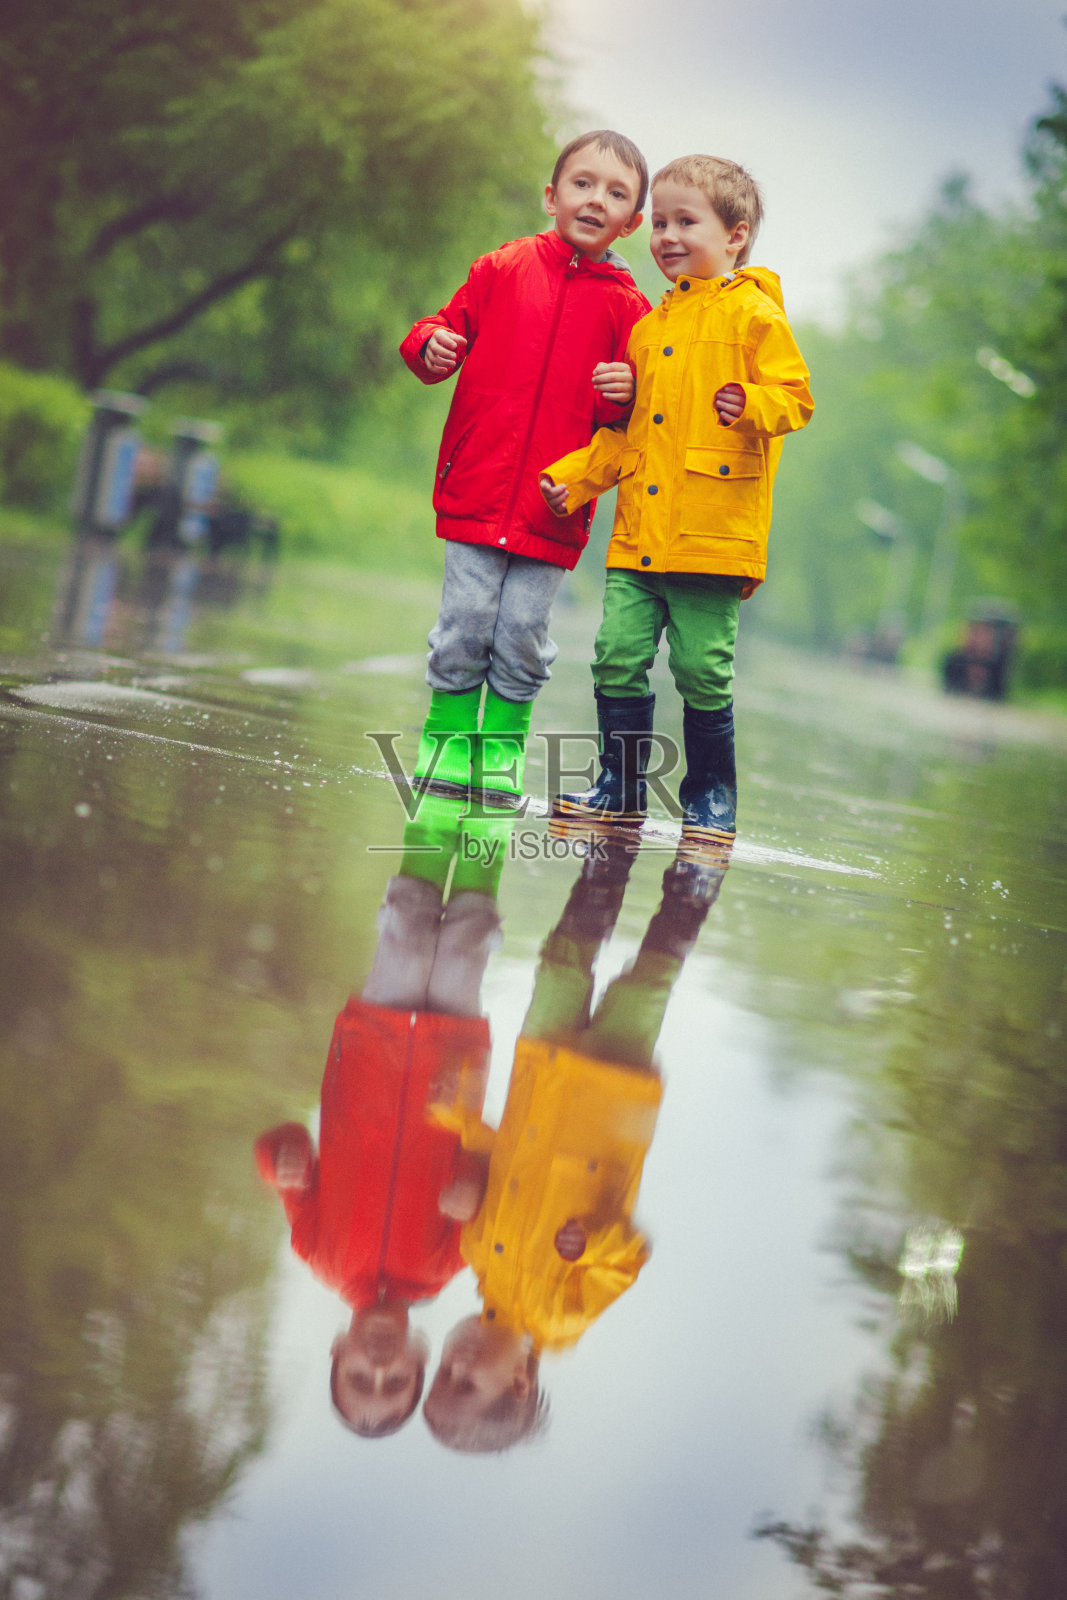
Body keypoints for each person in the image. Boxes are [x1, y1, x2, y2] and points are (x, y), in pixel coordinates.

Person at [423, 834, 729, 1452]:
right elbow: (628, 1258)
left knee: (559, 965)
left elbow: (508, 1156)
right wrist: (590, 1241)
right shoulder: (563, 1318)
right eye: (466, 1384)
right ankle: (692, 886)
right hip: (604, 1101)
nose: (455, 1364)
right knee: (643, 989)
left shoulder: (477, 1255)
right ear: (515, 1385)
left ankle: (606, 866)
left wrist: (462, 1127)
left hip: (542, 1070)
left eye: (442, 1374)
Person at [540, 155, 814, 843]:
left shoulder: (755, 316)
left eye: (684, 221)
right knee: (615, 654)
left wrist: (750, 401)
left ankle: (711, 793)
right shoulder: (647, 331)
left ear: (735, 235)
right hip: (639, 537)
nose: (664, 235)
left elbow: (796, 398)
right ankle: (620, 785)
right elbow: (627, 437)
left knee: (700, 668)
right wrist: (572, 482)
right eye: (658, 222)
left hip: (711, 539)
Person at [399, 131, 652, 802]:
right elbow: (437, 326)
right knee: (465, 621)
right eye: (582, 184)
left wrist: (623, 394)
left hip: (554, 506)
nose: (595, 199)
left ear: (632, 222)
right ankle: (447, 742)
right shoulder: (500, 268)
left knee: (520, 631)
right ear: (551, 196)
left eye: (616, 193)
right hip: (478, 486)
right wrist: (430, 343)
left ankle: (502, 749)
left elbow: (631, 425)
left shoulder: (631, 312)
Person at [254, 796, 504, 1438]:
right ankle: (493, 803)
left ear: (337, 1353)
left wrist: (279, 1161)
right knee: (466, 945)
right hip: (452, 1063)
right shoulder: (448, 1265)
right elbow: (497, 1174)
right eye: (396, 1383)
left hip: (372, 1048)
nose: (379, 1367)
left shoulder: (317, 1253)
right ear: (422, 1360)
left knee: (408, 930)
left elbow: (281, 1147)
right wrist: (474, 1183)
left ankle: (442, 795)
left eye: (359, 1376)